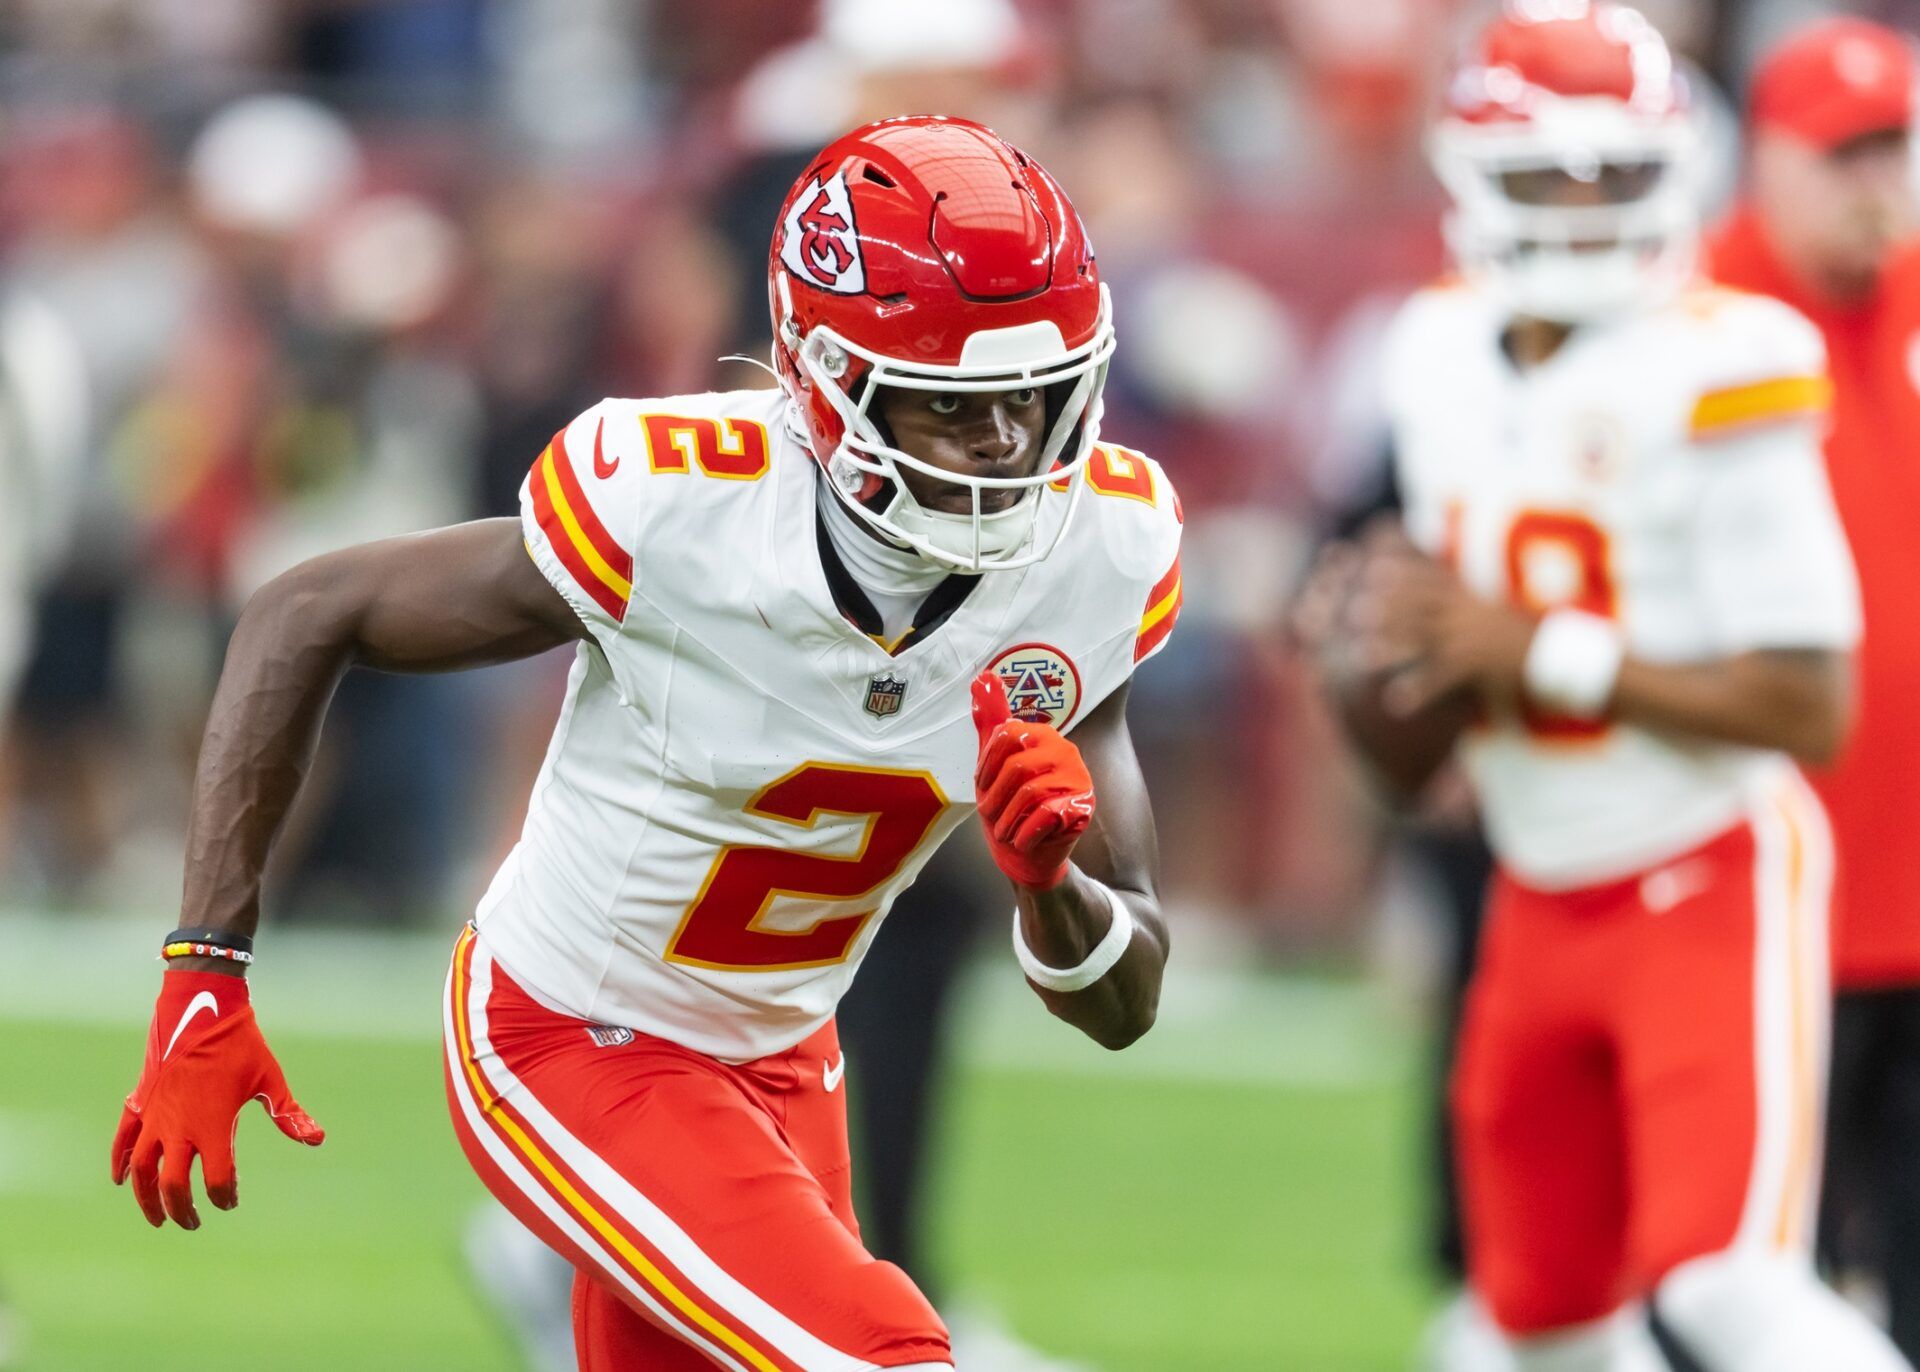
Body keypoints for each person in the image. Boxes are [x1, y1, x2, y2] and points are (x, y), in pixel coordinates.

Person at [105, 115, 1183, 1372]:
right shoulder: (678, 506)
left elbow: (1125, 1000)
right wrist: (203, 966)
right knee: (886, 1352)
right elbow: (305, 611)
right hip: (568, 1030)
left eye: (1038, 399)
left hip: (784, 1057)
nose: (1011, 451)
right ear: (825, 383)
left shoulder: (1099, 551)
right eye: (957, 410)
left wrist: (1048, 887)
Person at [1294, 6, 1909, 1370]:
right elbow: (1417, 746)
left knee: (1728, 1290)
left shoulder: (1724, 359)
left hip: (1705, 877)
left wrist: (1535, 648)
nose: (1583, 206)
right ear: (1470, 174)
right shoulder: (1434, 353)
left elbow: (1811, 707)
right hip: (1533, 885)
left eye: (1616, 172)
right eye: (1549, 173)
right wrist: (1372, 669)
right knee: (1537, 1325)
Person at [1704, 17, 1920, 1358]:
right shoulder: (1703, 324)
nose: (1874, 187)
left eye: (1892, 155)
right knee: (1743, 1279)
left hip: (1914, 890)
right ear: (1768, 161)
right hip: (1760, 895)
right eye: (1843, 157)